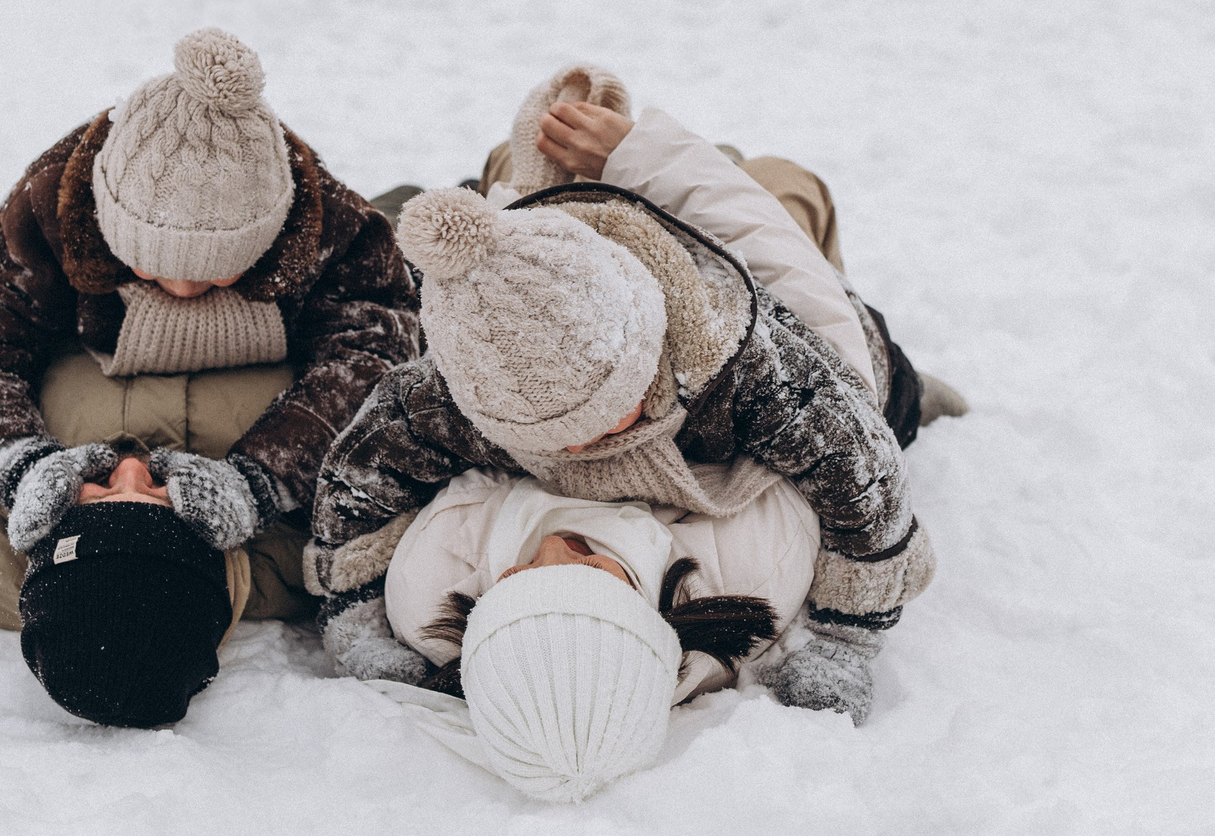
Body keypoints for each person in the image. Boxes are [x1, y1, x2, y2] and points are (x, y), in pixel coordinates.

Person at [310, 63, 961, 798]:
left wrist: (352, 621)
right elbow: (866, 488)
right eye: (554, 435)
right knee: (790, 191)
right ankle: (914, 392)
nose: (559, 545)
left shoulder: (734, 360)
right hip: (838, 346)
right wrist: (842, 640)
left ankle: (529, 177)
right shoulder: (749, 564)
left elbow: (355, 488)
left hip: (756, 317)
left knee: (550, 152)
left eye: (525, 574)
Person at [0, 28, 419, 726]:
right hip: (310, 294)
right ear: (213, 554)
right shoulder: (320, 548)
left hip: (63, 307)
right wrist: (260, 481)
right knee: (409, 246)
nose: (132, 466)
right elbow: (375, 359)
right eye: (164, 499)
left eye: (99, 492)